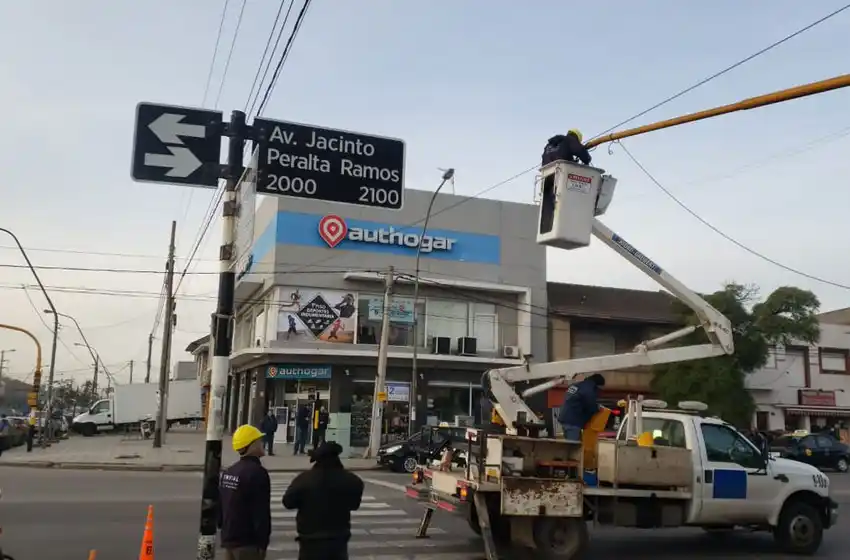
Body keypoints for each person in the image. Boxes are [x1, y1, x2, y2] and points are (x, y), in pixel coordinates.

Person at [282, 441, 364, 560]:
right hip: (338, 539)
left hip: (310, 541)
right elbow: (354, 505)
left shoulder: (304, 479)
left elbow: (288, 503)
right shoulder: (351, 480)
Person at [218, 425, 271, 560]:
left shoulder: (229, 471)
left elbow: (221, 507)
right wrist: (262, 543)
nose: (262, 443)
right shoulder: (257, 473)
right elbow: (261, 512)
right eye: (258, 441)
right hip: (248, 544)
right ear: (251, 445)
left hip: (229, 541)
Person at [558, 373, 606, 441]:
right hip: (573, 422)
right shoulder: (588, 389)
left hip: (565, 419)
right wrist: (597, 408)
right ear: (597, 385)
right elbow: (591, 406)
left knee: (573, 445)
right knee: (573, 447)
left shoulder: (578, 385)